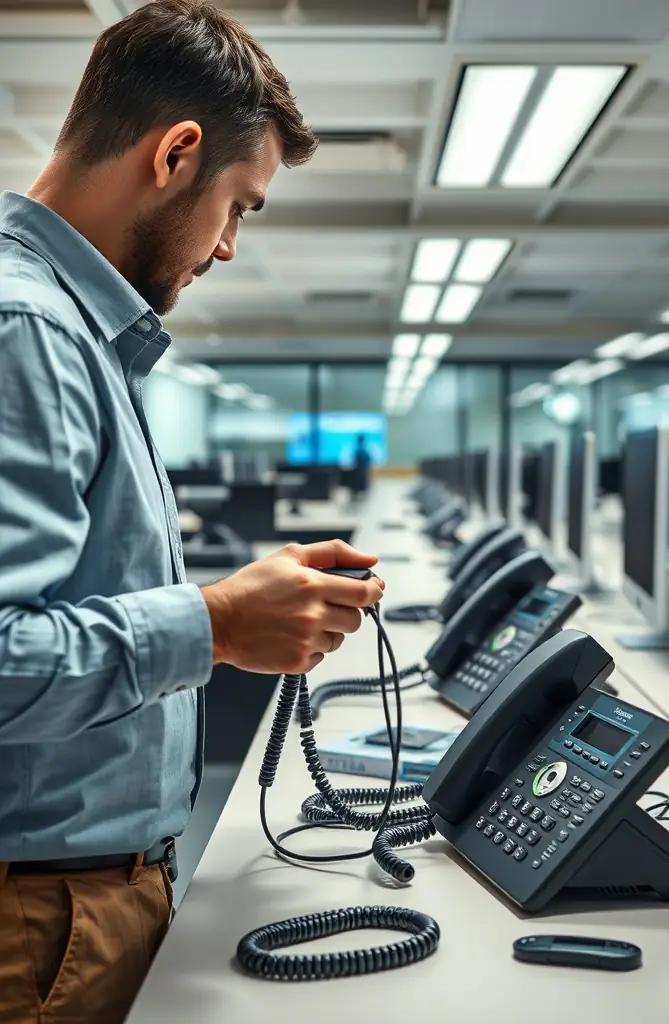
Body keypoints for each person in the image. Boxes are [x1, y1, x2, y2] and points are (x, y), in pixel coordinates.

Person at [0, 3, 383, 1022]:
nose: (227, 249)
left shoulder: (74, 330)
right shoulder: (26, 328)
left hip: (76, 896)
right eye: (242, 206)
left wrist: (235, 607)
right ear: (176, 153)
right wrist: (215, 623)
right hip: (40, 920)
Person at [351, 433, 373, 500]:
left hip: (359, 469)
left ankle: (359, 492)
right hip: (362, 469)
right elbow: (368, 459)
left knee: (359, 480)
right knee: (362, 480)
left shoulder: (358, 450)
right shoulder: (364, 450)